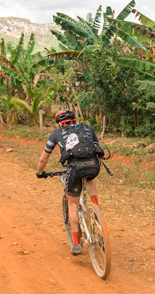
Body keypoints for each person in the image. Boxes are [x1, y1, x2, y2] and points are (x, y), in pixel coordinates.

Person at [36, 109, 101, 256]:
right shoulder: (87, 128)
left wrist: (40, 173)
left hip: (74, 169)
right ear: (74, 119)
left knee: (72, 203)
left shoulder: (56, 134)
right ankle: (97, 206)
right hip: (94, 165)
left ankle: (76, 243)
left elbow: (43, 159)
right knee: (89, 177)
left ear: (59, 123)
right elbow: (97, 148)